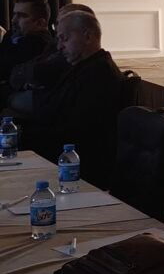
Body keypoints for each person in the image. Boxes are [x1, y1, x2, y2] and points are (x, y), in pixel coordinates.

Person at [16, 11, 124, 187]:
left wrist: (22, 136)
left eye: (64, 39)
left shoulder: (99, 75)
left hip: (78, 163)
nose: (59, 47)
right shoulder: (81, 67)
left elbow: (77, 131)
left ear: (87, 36)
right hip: (59, 146)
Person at [0, 0, 52, 102]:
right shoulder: (10, 35)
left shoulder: (41, 43)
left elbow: (8, 71)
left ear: (40, 23)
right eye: (14, 14)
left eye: (22, 16)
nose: (13, 20)